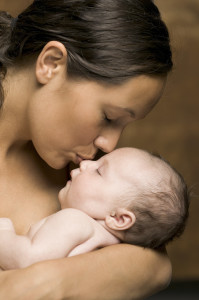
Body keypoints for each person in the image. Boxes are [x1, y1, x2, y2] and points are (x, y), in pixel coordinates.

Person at [0, 0, 174, 299]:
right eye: (109, 117)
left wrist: (47, 282)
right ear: (51, 63)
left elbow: (155, 264)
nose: (110, 144)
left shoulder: (80, 172)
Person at [0, 147, 189, 270]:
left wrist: (4, 228)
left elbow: (25, 261)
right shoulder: (108, 245)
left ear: (119, 219)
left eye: (99, 171)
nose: (85, 164)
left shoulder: (74, 221)